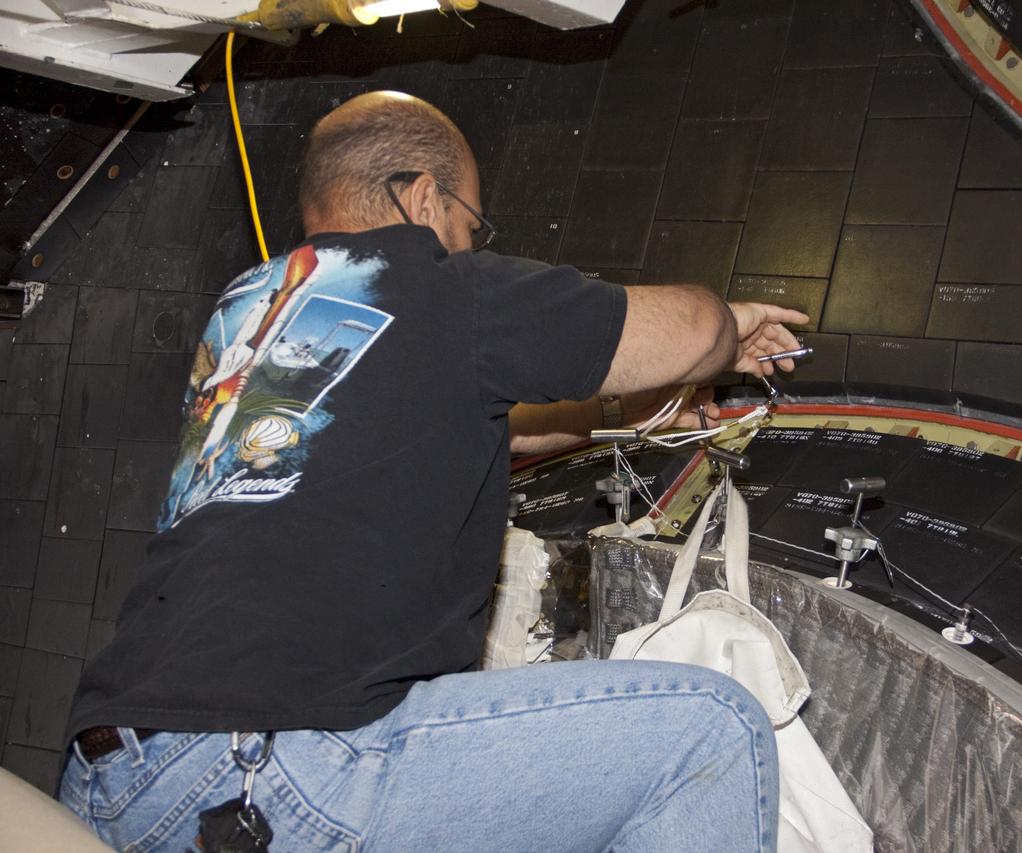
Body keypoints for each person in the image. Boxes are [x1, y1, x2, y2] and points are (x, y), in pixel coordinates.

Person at [59, 91, 809, 852]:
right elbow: (693, 327)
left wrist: (644, 411)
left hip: (112, 776)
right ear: (424, 199)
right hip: (269, 770)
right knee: (709, 731)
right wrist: (730, 329)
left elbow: (475, 424)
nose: (471, 244)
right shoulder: (435, 283)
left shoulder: (249, 309)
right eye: (471, 225)